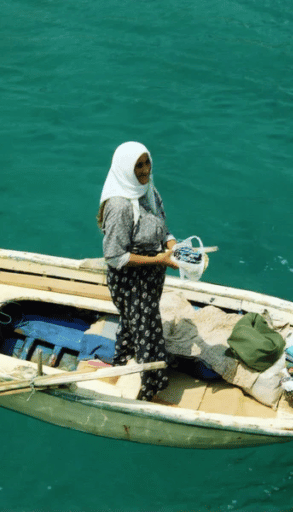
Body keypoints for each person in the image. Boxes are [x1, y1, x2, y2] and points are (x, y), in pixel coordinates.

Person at [97, 141, 179, 401]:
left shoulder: (149, 192)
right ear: (124, 169)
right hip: (130, 282)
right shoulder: (119, 207)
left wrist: (173, 247)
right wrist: (158, 261)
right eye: (138, 166)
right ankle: (149, 387)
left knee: (135, 324)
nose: (144, 170)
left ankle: (121, 359)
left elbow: (163, 229)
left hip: (153, 275)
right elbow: (114, 257)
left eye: (147, 163)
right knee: (148, 332)